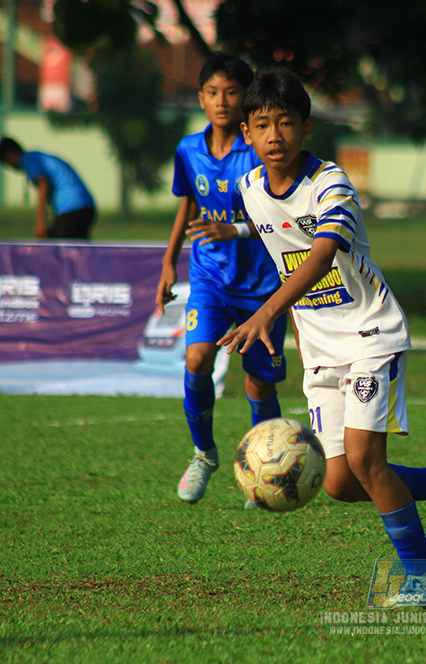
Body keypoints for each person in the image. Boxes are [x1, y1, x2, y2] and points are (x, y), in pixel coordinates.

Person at [218, 68, 426, 606]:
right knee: (338, 482)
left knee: (365, 459)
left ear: (307, 127)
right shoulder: (248, 188)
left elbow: (321, 251)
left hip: (370, 333)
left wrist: (266, 312)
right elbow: (275, 237)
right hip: (320, 351)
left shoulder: (331, 182)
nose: (274, 136)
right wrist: (237, 240)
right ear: (247, 134)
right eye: (262, 125)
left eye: (286, 123)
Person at [156, 54, 287, 504]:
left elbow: (283, 216)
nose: (222, 101)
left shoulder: (261, 150)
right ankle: (204, 455)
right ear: (201, 98)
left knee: (259, 383)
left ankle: (262, 470)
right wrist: (168, 261)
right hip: (210, 274)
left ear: (246, 99)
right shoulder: (188, 149)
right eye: (213, 93)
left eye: (232, 92)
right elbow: (188, 204)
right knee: (196, 361)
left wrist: (238, 229)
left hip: (263, 284)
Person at [0, 137, 96, 239]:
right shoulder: (37, 157)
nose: (11, 168)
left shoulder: (27, 160)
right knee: (80, 251)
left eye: (7, 162)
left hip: (71, 208)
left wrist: (40, 222)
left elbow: (43, 184)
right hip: (85, 206)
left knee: (59, 250)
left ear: (10, 154)